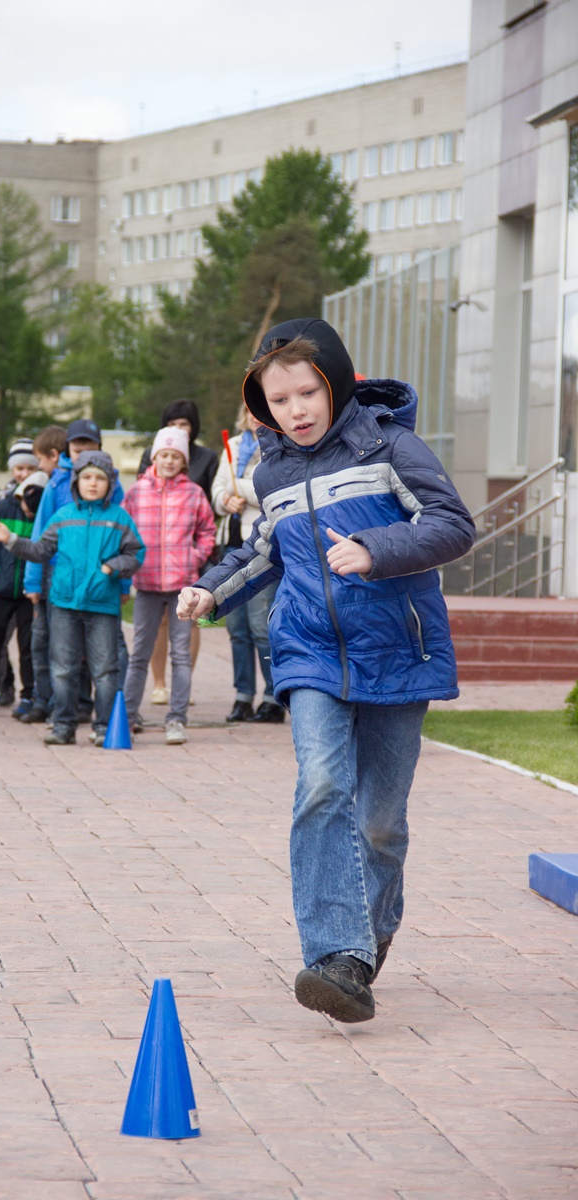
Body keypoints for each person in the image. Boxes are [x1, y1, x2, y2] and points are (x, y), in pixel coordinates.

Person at [178, 318, 475, 1023]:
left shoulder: (390, 446)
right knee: (320, 785)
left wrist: (375, 547)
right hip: (309, 650)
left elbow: (452, 524)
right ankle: (336, 955)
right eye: (279, 401)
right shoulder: (270, 470)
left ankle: (366, 941)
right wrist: (210, 589)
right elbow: (264, 549)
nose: (296, 410)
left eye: (307, 392)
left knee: (379, 824)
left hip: (399, 652)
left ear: (336, 383)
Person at [0, 450, 144, 746]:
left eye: (99, 478)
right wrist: (11, 541)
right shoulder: (62, 517)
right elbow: (41, 551)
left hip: (103, 607)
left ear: (110, 483)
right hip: (63, 605)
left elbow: (135, 553)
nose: (92, 484)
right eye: (86, 478)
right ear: (75, 482)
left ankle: (104, 725)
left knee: (106, 670)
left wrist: (113, 567)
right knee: (63, 667)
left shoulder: (120, 519)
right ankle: (63, 725)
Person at [23, 418, 125, 726]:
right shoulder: (56, 484)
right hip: (61, 583)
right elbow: (40, 537)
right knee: (58, 650)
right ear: (67, 448)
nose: (81, 452)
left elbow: (128, 545)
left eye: (88, 446)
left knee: (104, 653)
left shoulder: (114, 489)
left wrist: (122, 585)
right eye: (76, 447)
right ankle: (56, 708)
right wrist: (32, 580)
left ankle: (104, 711)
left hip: (101, 585)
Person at [123, 426, 216, 746]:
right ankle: (129, 715)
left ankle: (176, 719)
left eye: (176, 456)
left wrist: (196, 556)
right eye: (164, 455)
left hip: (182, 587)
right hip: (146, 584)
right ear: (154, 457)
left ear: (184, 461)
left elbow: (207, 530)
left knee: (180, 654)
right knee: (139, 653)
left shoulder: (193, 493)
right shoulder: (136, 492)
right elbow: (124, 531)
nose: (169, 461)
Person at [138, 400, 218, 706]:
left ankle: (183, 686)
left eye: (183, 423)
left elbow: (209, 513)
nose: (178, 429)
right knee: (158, 624)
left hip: (186, 558)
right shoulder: (152, 455)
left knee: (190, 621)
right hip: (153, 564)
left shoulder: (207, 458)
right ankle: (159, 683)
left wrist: (196, 556)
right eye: (172, 423)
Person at [211, 405, 283, 725]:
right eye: (250, 409)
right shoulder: (234, 445)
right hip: (231, 541)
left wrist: (235, 488)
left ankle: (272, 697)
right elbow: (215, 489)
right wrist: (224, 500)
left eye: (262, 409)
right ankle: (243, 695)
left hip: (261, 547)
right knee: (236, 628)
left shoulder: (280, 445)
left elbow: (268, 490)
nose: (255, 415)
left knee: (260, 626)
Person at [0, 471, 48, 717]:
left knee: (28, 646)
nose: (29, 515)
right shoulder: (1, 508)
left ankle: (28, 695)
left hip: (30, 595)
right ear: (20, 496)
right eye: (27, 509)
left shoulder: (45, 514)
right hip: (1, 589)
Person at [17, 425, 67, 724]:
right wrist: (33, 581)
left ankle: (67, 703)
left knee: (63, 649)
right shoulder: (49, 487)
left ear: (53, 455)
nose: (40, 468)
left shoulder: (69, 485)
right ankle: (42, 699)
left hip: (66, 580)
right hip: (46, 577)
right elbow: (39, 538)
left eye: (41, 461)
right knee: (40, 642)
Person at [0, 437, 41, 704]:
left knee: (29, 645)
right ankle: (4, 685)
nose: (23, 473)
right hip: (4, 584)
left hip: (31, 586)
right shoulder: (2, 500)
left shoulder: (43, 499)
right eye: (18, 468)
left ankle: (30, 692)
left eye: (29, 468)